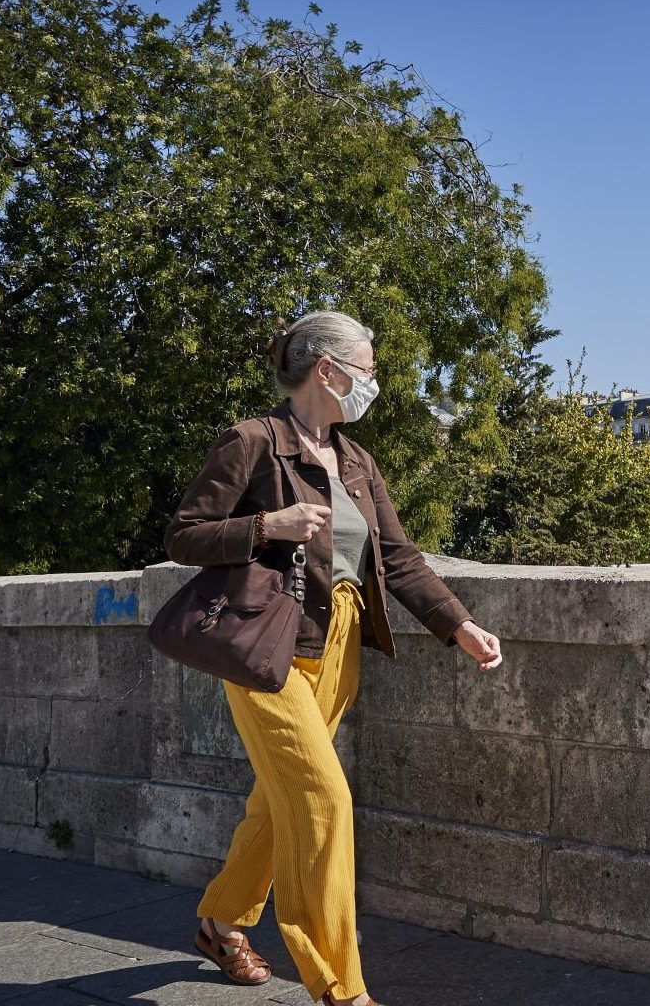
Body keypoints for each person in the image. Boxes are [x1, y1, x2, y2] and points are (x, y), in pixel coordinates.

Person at [165, 311, 503, 1006]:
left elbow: (399, 559)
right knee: (323, 800)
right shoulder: (253, 442)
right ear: (328, 370)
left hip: (339, 641)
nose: (372, 382)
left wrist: (458, 624)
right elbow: (185, 536)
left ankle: (220, 920)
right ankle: (339, 987)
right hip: (266, 648)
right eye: (368, 369)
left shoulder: (355, 460)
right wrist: (266, 526)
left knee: (278, 798)